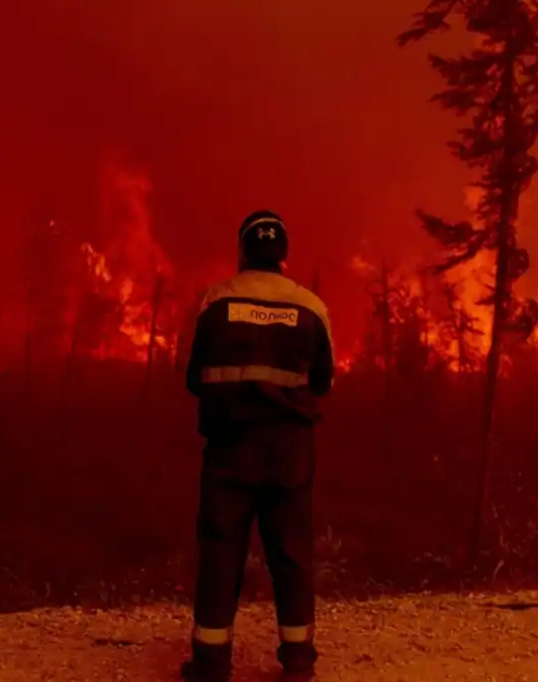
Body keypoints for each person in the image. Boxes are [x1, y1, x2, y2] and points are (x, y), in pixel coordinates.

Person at [180, 210, 334, 682]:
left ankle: (211, 663)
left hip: (230, 449)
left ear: (243, 252)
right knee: (292, 553)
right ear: (283, 255)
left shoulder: (215, 302)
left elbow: (192, 377)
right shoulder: (311, 307)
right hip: (290, 452)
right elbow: (323, 381)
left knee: (220, 550)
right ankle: (298, 663)